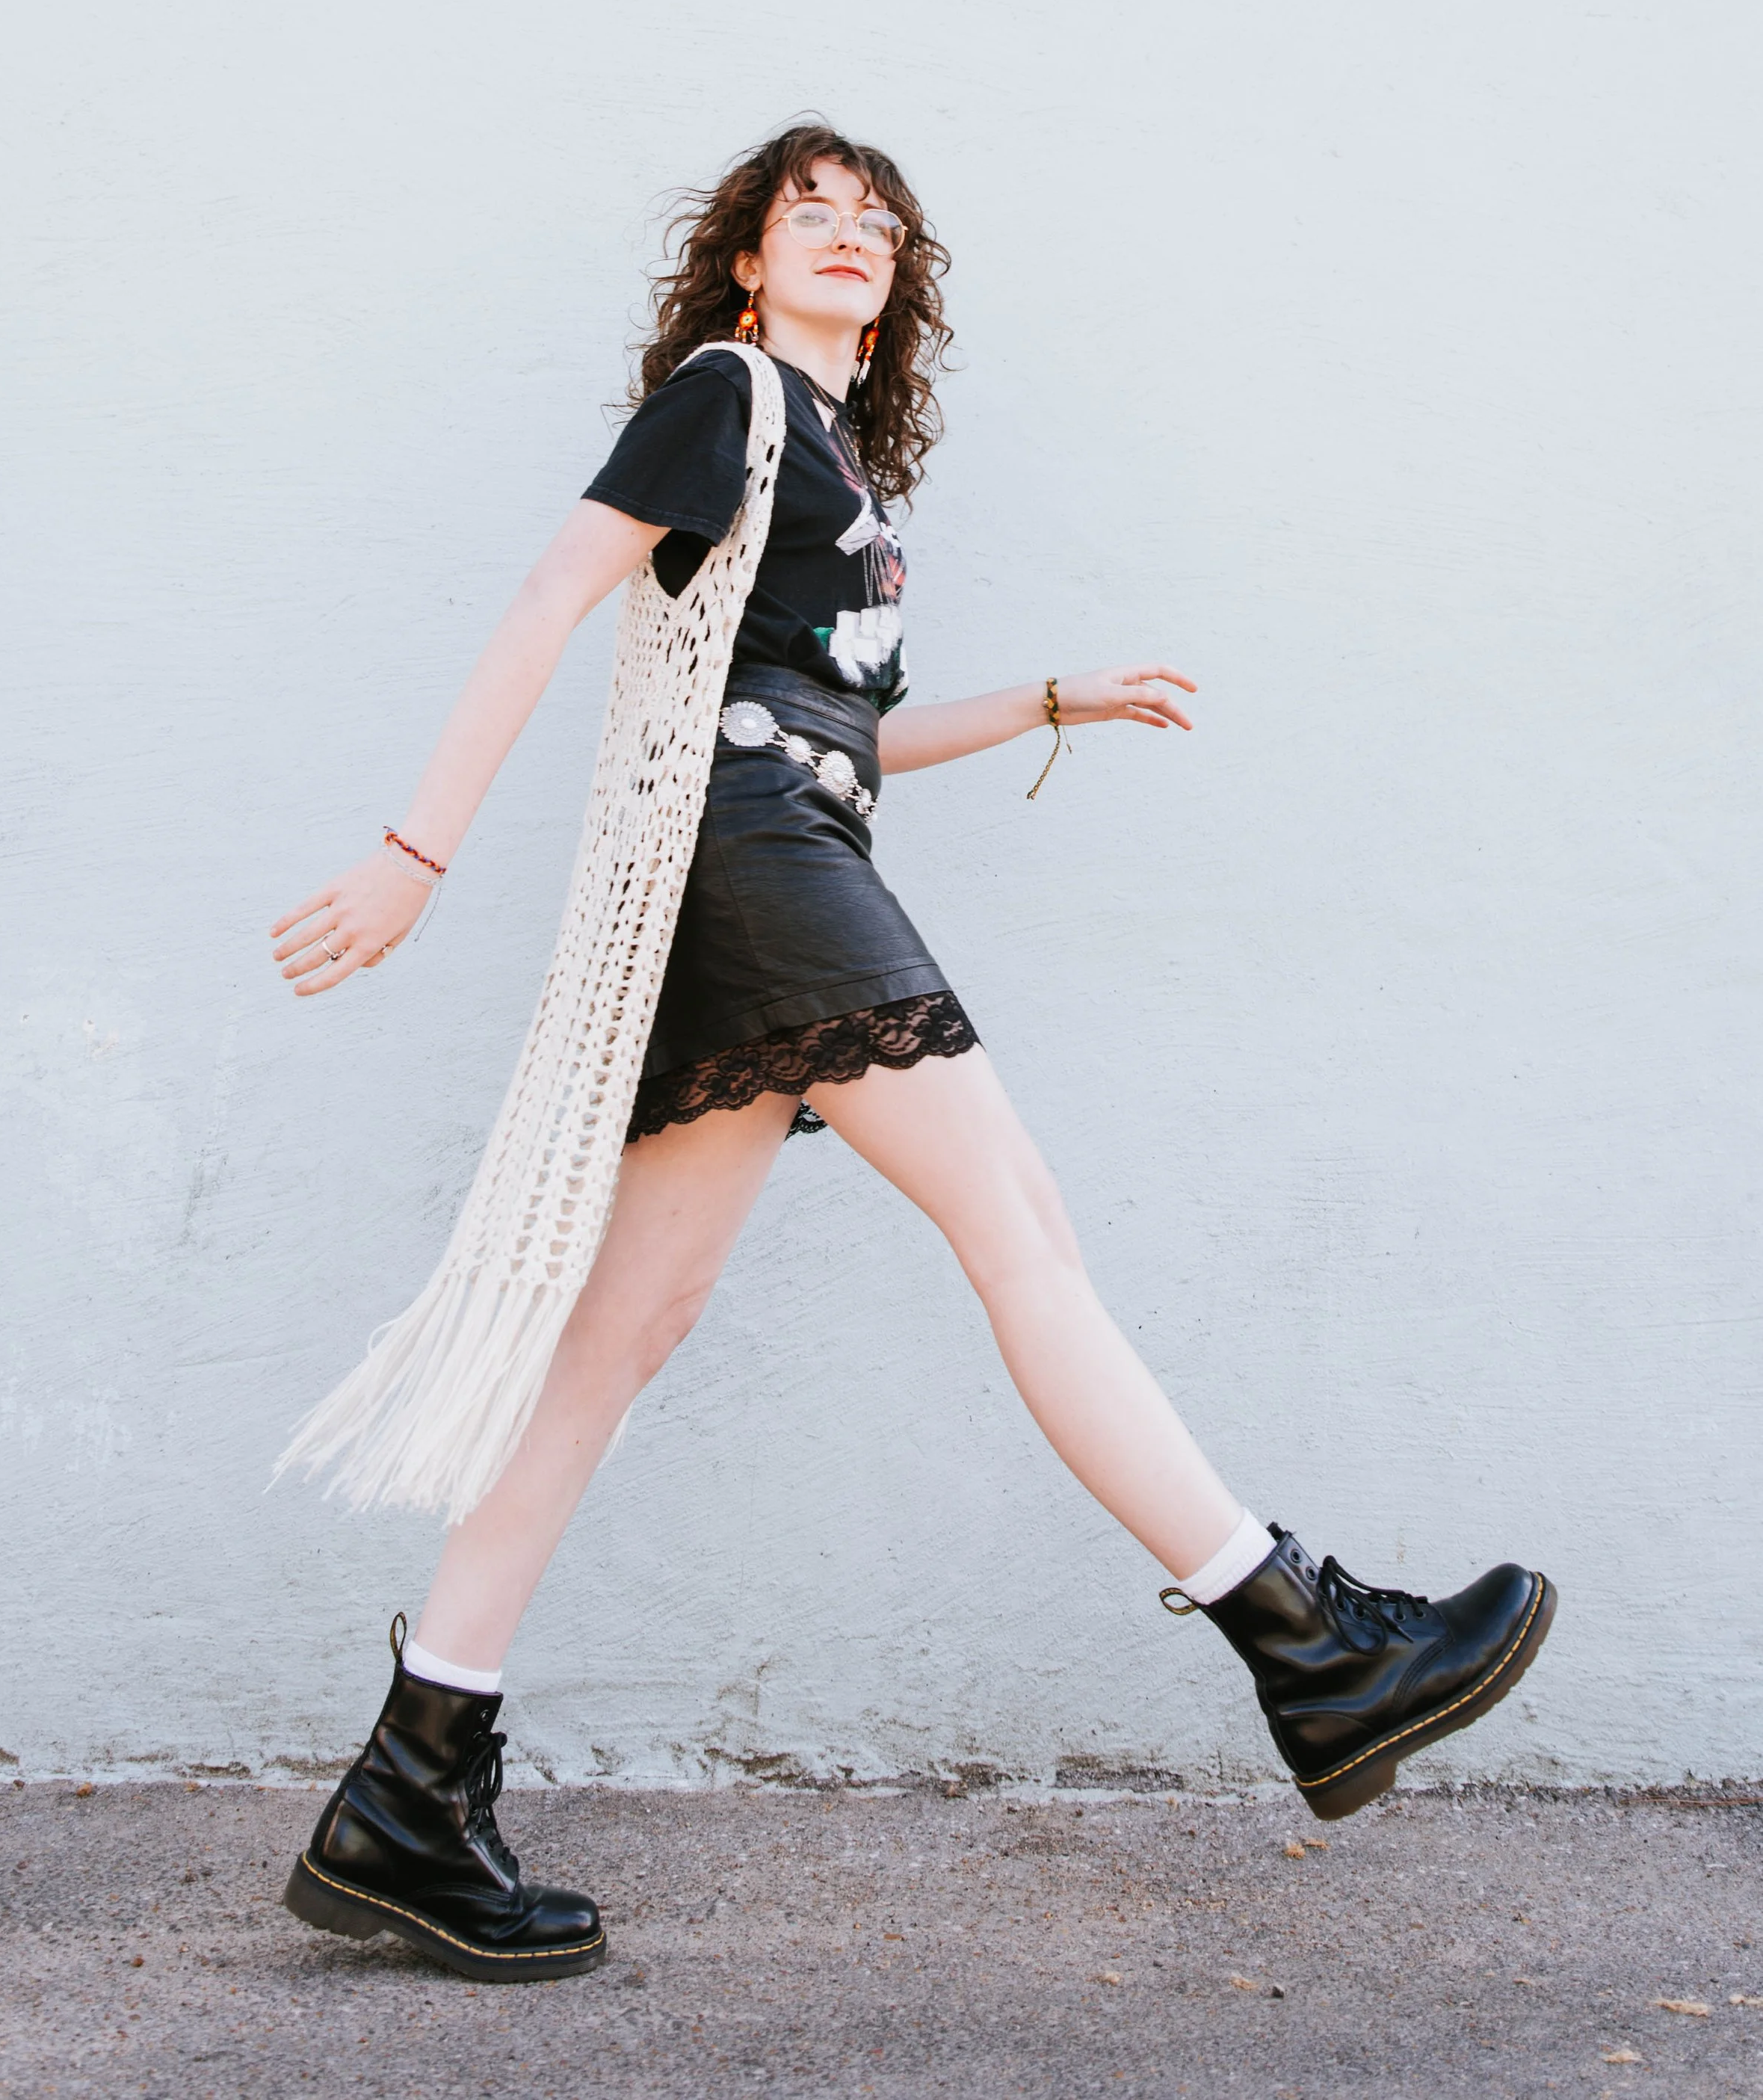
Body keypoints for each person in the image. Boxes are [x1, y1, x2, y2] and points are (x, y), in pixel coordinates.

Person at [268, 123, 1554, 1985]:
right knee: (1015, 1221)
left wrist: (1047, 700)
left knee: (626, 1337)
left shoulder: (832, 455)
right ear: (744, 263)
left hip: (790, 837)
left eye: (877, 225)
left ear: (897, 286)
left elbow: (841, 716)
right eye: (813, 215)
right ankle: (1307, 1644)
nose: (849, 237)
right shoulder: (723, 395)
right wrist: (410, 859)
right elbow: (554, 595)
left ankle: (412, 1779)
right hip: (754, 854)